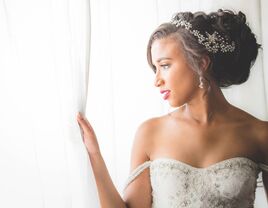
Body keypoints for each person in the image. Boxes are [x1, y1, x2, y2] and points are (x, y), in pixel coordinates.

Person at [77, 9, 268, 208]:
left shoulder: (260, 134)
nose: (157, 80)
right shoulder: (150, 133)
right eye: (155, 68)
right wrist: (94, 155)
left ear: (201, 63)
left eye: (165, 65)